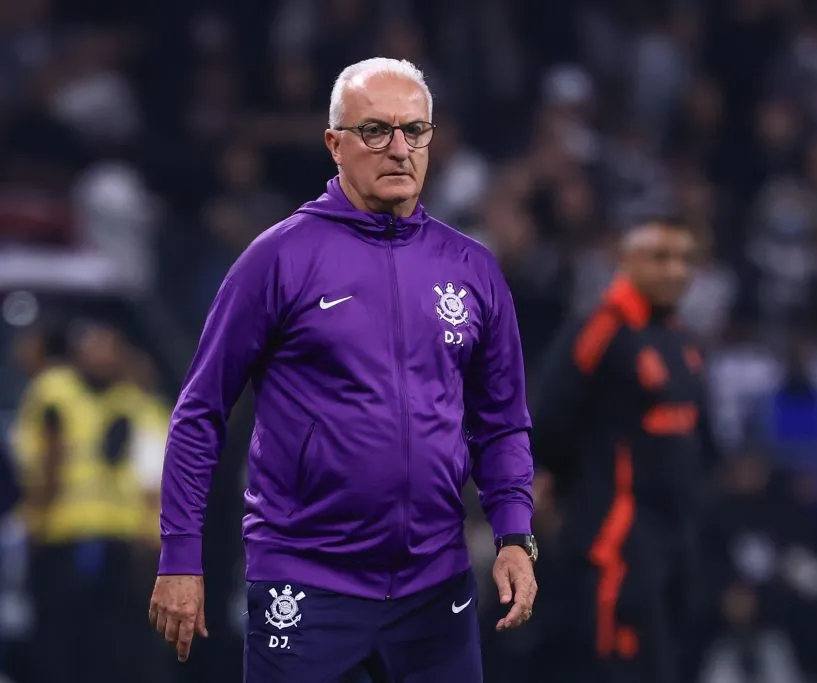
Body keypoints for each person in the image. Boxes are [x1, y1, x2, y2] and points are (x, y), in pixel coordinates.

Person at [148, 57, 538, 683]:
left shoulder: (472, 269)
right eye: (376, 130)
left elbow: (501, 423)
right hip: (306, 578)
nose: (399, 148)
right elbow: (200, 414)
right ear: (334, 144)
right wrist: (180, 558)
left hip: (435, 585)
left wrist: (515, 536)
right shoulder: (278, 258)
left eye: (415, 131)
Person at [530, 216, 719, 683]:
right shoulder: (602, 329)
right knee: (618, 668)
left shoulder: (684, 341)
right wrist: (565, 486)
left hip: (677, 535)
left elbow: (703, 440)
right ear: (627, 261)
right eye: (660, 258)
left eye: (684, 259)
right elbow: (548, 418)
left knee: (670, 662)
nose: (675, 271)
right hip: (616, 536)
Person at [12, 320, 148, 683]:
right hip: (62, 532)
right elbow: (42, 459)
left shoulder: (130, 399)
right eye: (94, 349)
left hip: (118, 536)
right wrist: (37, 519)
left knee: (111, 644)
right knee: (59, 641)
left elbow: (152, 473)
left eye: (109, 349)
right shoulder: (55, 392)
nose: (101, 357)